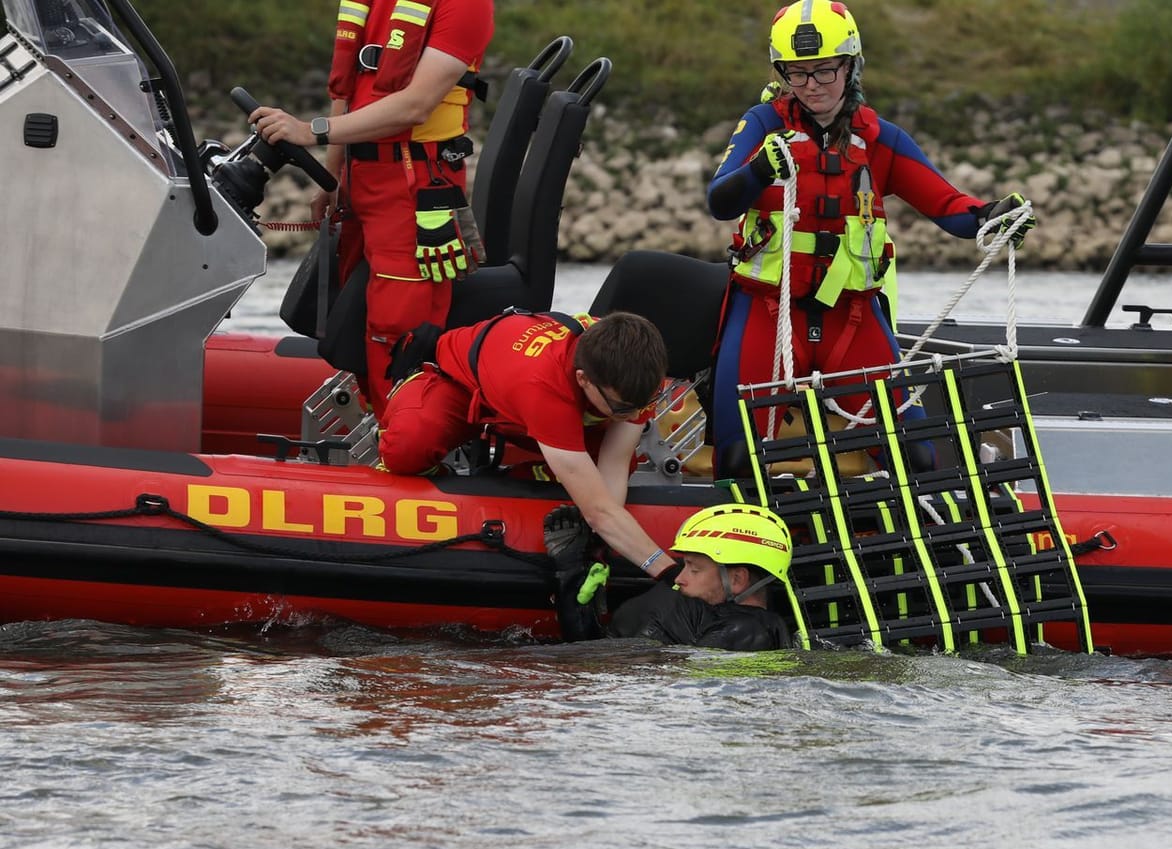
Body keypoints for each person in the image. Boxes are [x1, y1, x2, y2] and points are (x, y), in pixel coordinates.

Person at [704, 1, 1036, 474]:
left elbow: (949, 207)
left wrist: (994, 216)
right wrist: (760, 169)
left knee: (915, 455)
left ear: (851, 65)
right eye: (798, 75)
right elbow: (720, 202)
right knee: (736, 456)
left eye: (824, 71)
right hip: (766, 311)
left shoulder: (881, 139)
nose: (812, 86)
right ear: (781, 74)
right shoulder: (762, 125)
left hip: (852, 317)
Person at [248, 0, 495, 413]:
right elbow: (346, 90)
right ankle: (380, 434)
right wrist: (332, 180)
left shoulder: (467, 5)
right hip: (359, 178)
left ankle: (405, 443)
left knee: (397, 331)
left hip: (415, 185)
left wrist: (311, 132)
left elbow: (416, 105)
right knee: (359, 316)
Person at [380, 309, 678, 583]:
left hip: (533, 404)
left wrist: (601, 542)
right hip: (462, 385)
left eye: (646, 404)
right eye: (624, 408)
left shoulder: (636, 377)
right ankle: (449, 479)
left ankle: (514, 481)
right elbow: (599, 511)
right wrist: (668, 572)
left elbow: (613, 468)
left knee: (606, 473)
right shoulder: (545, 386)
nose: (636, 416)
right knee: (407, 448)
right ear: (583, 380)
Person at [547, 503, 795, 651]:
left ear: (738, 579)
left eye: (694, 569)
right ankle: (570, 577)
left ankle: (569, 577)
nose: (678, 578)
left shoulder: (748, 632)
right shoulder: (700, 608)